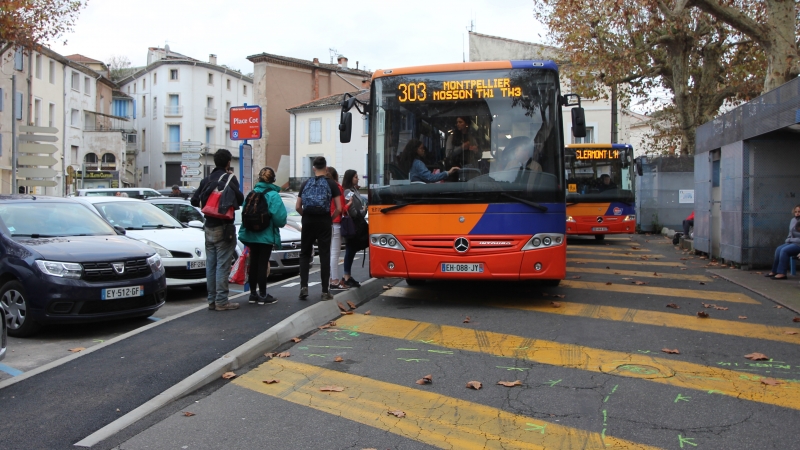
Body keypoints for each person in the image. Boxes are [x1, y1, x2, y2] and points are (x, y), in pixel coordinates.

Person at [191, 149, 244, 311]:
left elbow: (194, 200)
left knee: (211, 264)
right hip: (224, 227)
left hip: (208, 226)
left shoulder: (206, 180)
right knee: (222, 264)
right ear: (228, 163)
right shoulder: (230, 178)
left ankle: (212, 300)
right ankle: (221, 301)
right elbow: (239, 199)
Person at [295, 156, 342, 301]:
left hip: (308, 220)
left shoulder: (305, 183)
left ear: (313, 168)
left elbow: (297, 206)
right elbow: (339, 208)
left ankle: (303, 287)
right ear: (326, 168)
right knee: (324, 254)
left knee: (304, 253)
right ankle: (324, 291)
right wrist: (330, 217)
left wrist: (306, 215)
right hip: (324, 220)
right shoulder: (332, 184)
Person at [238, 167, 287, 305]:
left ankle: (253, 294)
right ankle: (263, 294)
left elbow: (244, 211)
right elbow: (280, 219)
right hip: (265, 235)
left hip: (250, 234)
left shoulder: (251, 193)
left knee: (253, 262)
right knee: (262, 263)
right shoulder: (273, 195)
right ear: (273, 180)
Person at [341, 169, 366, 288]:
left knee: (352, 249)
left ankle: (347, 275)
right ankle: (346, 276)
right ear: (350, 178)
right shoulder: (348, 191)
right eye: (356, 177)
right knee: (350, 250)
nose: (358, 179)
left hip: (357, 222)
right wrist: (363, 210)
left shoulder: (355, 190)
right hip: (353, 224)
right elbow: (352, 211)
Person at [326, 167, 349, 291]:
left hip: (323, 223)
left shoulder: (322, 187)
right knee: (335, 253)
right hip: (335, 222)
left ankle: (328, 279)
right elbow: (341, 208)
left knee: (327, 253)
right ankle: (334, 280)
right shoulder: (337, 187)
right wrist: (349, 204)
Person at [765, 204, 800, 280]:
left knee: (784, 251)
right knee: (778, 249)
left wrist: (792, 240)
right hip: (791, 242)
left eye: (799, 212)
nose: (797, 213)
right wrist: (788, 239)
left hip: (798, 244)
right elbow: (790, 233)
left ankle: (782, 273)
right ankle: (774, 271)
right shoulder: (793, 220)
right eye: (796, 211)